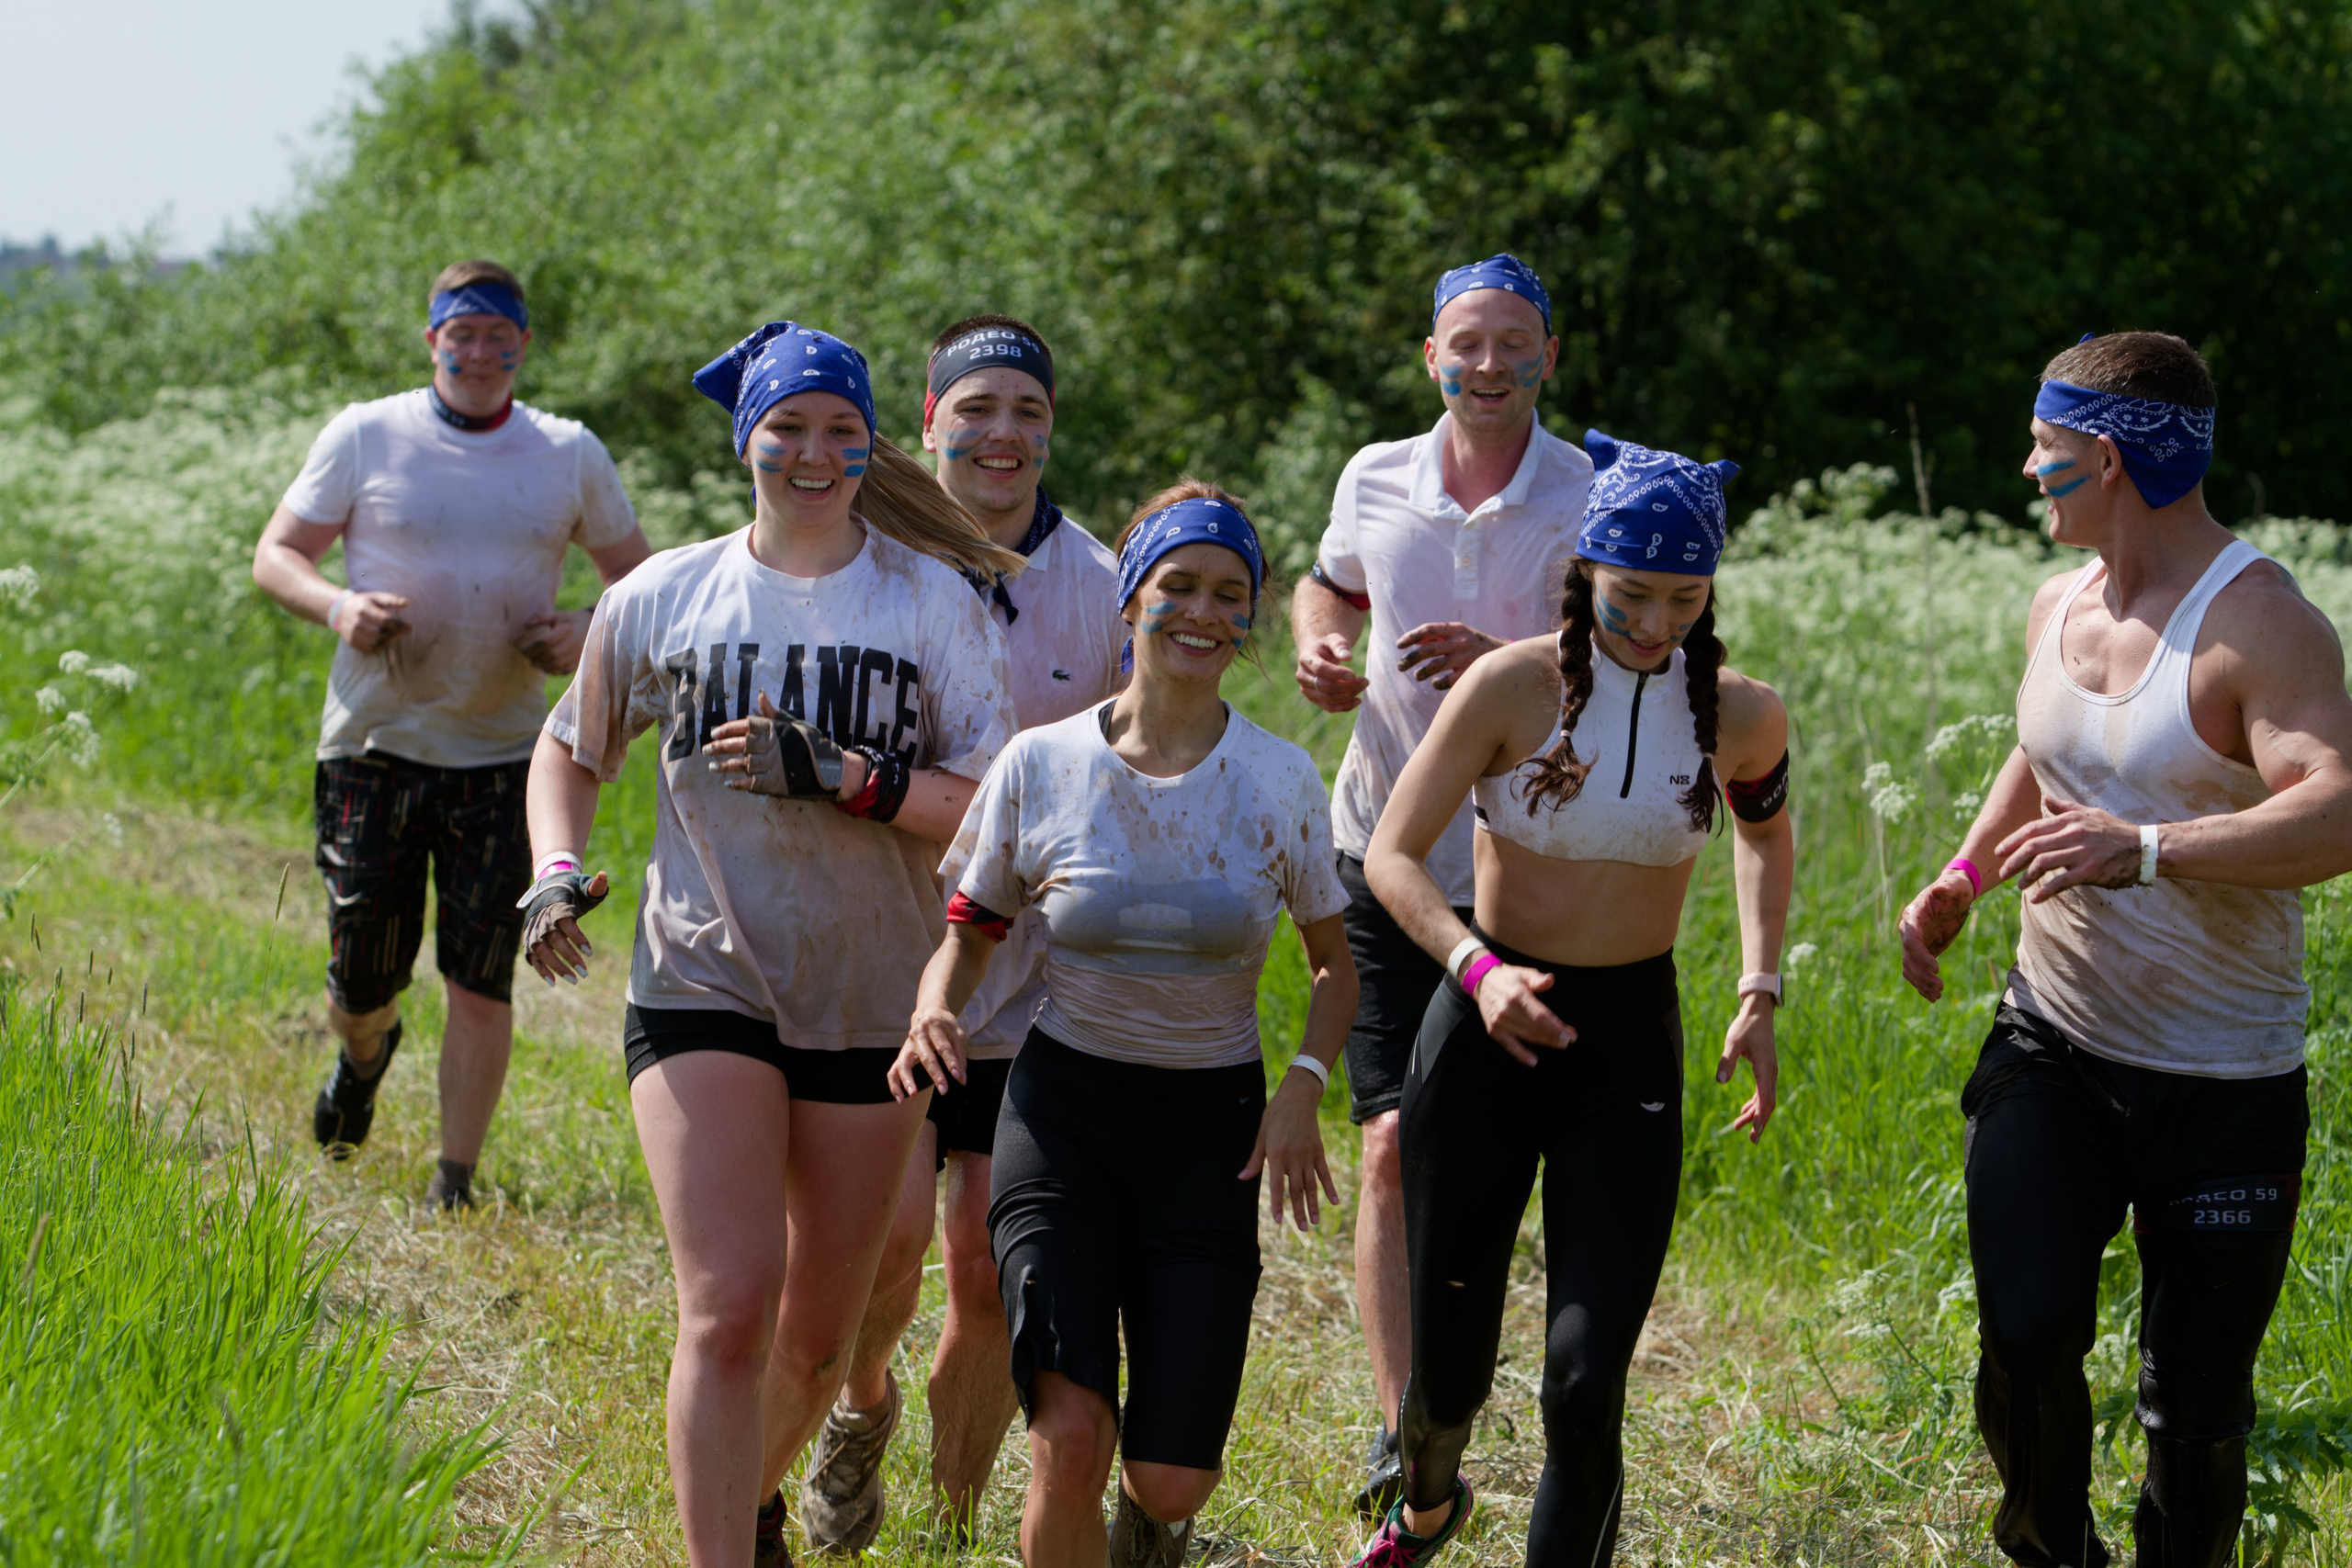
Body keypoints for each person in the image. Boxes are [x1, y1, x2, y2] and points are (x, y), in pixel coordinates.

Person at [517, 320, 1023, 1567]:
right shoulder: (664, 594)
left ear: (870, 444)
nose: (813, 452)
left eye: (840, 430)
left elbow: (996, 806)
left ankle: (754, 1499)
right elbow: (573, 748)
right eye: (787, 427)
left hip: (870, 998)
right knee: (729, 1305)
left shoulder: (931, 602)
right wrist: (555, 872)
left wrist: (854, 780)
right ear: (747, 438)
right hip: (701, 979)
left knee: (819, 1334)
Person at [1896, 332, 2352, 1568]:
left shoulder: (2259, 623)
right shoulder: (2060, 597)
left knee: (2194, 1413)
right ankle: (2052, 1548)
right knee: (2027, 1331)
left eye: (2042, 455)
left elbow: (2336, 811)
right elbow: (2047, 757)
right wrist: (1965, 873)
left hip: (2225, 1079)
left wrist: (2148, 848)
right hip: (2056, 1034)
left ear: (2103, 457)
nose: (2025, 471)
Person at [890, 485, 1358, 1568]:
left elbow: (1335, 968)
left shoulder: (1278, 780)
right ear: (1130, 601)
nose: (1202, 612)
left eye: (1229, 595)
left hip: (1212, 1133)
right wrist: (931, 1008)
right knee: (1070, 1431)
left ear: (1248, 621)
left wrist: (1301, 1086)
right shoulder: (1040, 764)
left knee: (1169, 1473)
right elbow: (970, 931)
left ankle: (1151, 1528)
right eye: (1178, 586)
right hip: (1064, 1119)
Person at [1356, 433, 1792, 1566]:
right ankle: (1427, 1506)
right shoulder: (1512, 684)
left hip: (1626, 1050)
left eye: (1685, 598)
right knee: (1446, 1378)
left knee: (1583, 1381)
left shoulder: (1741, 713)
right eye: (1631, 596)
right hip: (1485, 1029)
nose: (1655, 625)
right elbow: (1393, 857)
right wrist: (1478, 973)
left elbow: (1764, 837)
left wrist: (1759, 985)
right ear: (1584, 571)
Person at [797, 315, 1127, 1552]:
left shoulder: (1099, 586)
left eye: (1027, 411)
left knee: (991, 1270)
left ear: (1050, 426)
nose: (1002, 433)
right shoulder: (853, 555)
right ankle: (861, 1404)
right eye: (976, 407)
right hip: (871, 966)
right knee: (878, 1250)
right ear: (929, 419)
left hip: (1027, 976)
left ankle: (947, 1519)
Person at [1290, 253, 1593, 1510]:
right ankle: (1401, 1415)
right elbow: (1331, 581)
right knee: (1392, 1137)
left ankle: (1536, 1387)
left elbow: (1645, 642)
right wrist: (1322, 639)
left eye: (1511, 342)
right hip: (1380, 846)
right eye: (1464, 343)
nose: (1486, 364)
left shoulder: (1587, 488)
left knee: (1499, 1152)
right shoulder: (1375, 475)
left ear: (1547, 358)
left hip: (1528, 866)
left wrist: (1512, 663)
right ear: (1431, 357)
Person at [250, 257, 650, 1209]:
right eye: (459, 332)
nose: (478, 350)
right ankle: (363, 1051)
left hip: (507, 756)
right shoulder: (365, 434)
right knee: (361, 974)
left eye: (496, 333)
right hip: (374, 745)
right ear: (432, 340)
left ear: (522, 344)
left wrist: (586, 627)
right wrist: (339, 607)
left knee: (482, 976)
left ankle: (454, 1179)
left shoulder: (568, 452)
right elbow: (276, 556)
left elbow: (641, 587)